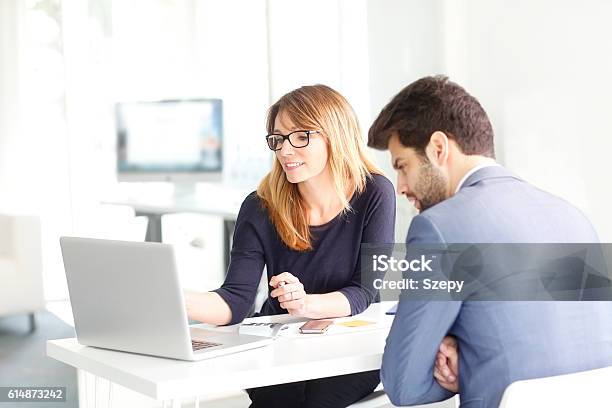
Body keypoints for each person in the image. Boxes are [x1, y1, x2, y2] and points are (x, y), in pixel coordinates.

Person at [367, 76, 612, 408]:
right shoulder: (575, 217)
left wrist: (463, 363)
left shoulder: (438, 228)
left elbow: (404, 385)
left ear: (438, 148)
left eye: (402, 166)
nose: (400, 187)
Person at [185, 84, 396, 407]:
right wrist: (175, 299)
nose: (285, 150)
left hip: (346, 345)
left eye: (300, 136)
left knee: (316, 398)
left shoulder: (375, 193)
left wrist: (306, 304)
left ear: (334, 135)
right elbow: (236, 300)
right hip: (280, 346)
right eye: (279, 138)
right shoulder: (259, 205)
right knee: (277, 395)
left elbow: (365, 291)